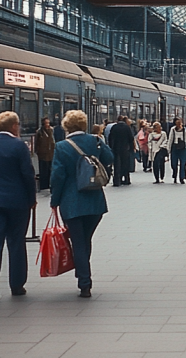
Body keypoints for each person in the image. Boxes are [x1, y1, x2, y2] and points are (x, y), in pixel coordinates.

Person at [50, 110, 114, 298]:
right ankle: (83, 274)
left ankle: (85, 282)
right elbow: (109, 158)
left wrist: (54, 201)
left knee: (78, 242)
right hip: (95, 201)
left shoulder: (61, 146)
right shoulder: (95, 141)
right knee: (85, 240)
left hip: (71, 203)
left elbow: (58, 177)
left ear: (66, 126)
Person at [0, 111, 36, 302]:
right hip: (17, 201)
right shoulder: (19, 146)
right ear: (13, 126)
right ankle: (17, 284)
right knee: (16, 242)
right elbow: (27, 174)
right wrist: (31, 198)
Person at [108, 115, 135, 186]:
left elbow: (110, 138)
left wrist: (111, 147)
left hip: (116, 148)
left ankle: (117, 180)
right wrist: (131, 148)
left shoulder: (114, 127)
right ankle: (126, 179)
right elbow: (131, 138)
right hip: (125, 149)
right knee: (125, 164)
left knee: (117, 165)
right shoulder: (127, 127)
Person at [168, 117, 186, 184]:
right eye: (177, 123)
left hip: (183, 148)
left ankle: (182, 178)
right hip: (175, 147)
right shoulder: (173, 130)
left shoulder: (184, 130)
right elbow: (170, 140)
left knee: (183, 163)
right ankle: (175, 176)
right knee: (174, 163)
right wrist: (168, 150)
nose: (179, 124)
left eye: (180, 122)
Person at [34, 117, 56, 191]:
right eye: (46, 123)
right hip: (43, 154)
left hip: (51, 154)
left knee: (50, 170)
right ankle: (43, 185)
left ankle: (50, 185)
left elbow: (53, 140)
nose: (48, 125)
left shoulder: (51, 130)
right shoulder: (39, 132)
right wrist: (37, 152)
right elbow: (36, 143)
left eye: (48, 123)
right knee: (43, 171)